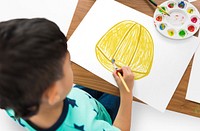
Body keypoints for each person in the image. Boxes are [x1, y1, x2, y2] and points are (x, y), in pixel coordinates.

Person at [0, 18, 134, 131]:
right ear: (52, 93)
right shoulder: (86, 125)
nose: (71, 65)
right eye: (69, 64)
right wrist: (127, 94)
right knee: (116, 90)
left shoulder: (13, 104)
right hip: (101, 112)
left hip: (78, 98)